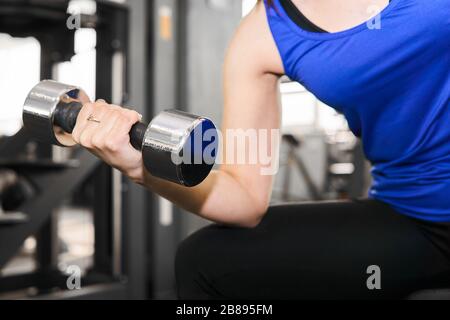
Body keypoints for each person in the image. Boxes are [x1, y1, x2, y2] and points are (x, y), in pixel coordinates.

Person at [71, 0, 450, 299]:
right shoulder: (263, 35)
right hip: (418, 220)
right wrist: (139, 167)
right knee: (205, 263)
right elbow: (245, 198)